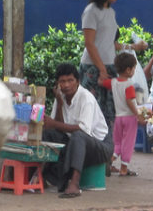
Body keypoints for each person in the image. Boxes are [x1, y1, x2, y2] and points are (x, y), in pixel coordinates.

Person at [80, 0, 146, 127]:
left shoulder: (111, 13)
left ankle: (106, 147)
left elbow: (111, 43)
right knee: (92, 109)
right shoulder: (91, 11)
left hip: (109, 66)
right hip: (94, 67)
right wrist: (102, 69)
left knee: (109, 111)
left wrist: (133, 47)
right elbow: (89, 43)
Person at [43, 63, 114, 198]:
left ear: (78, 81)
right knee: (49, 134)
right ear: (57, 84)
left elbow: (83, 130)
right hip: (75, 143)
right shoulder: (60, 96)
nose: (66, 85)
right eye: (62, 81)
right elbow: (58, 127)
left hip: (101, 146)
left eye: (70, 80)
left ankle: (74, 184)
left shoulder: (86, 98)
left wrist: (54, 124)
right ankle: (46, 177)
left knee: (78, 136)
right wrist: (58, 102)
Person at [105, 52, 146, 177]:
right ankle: (124, 168)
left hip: (118, 118)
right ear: (128, 70)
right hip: (129, 118)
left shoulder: (113, 82)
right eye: (134, 68)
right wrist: (138, 114)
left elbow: (102, 82)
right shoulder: (129, 85)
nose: (134, 71)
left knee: (117, 142)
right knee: (128, 143)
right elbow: (130, 101)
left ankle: (109, 161)